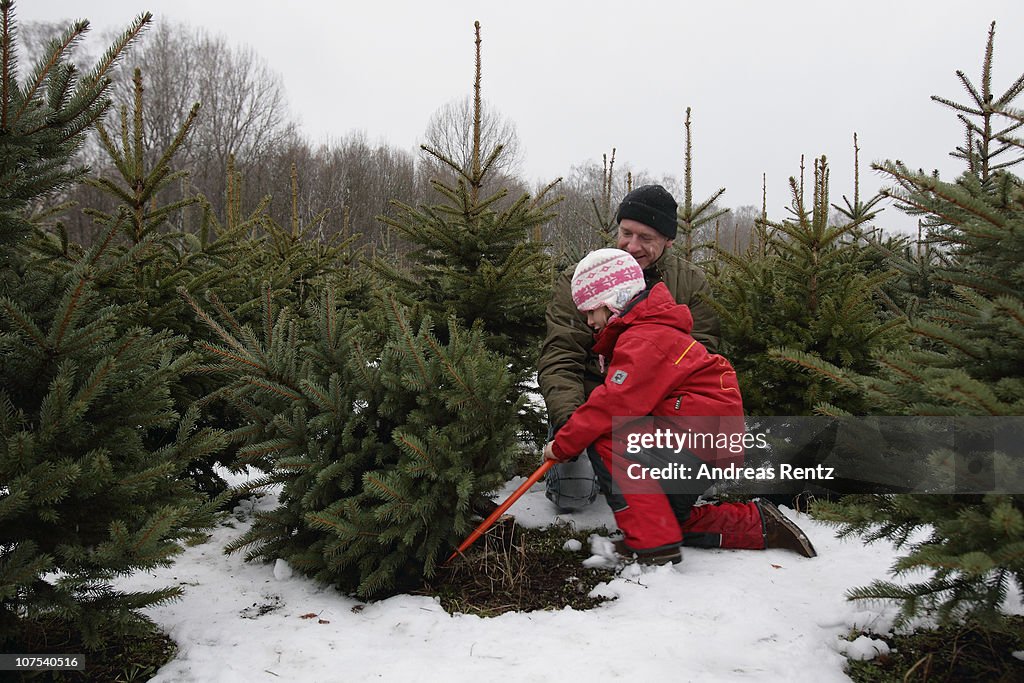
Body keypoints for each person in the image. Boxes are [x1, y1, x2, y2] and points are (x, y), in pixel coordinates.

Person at [542, 248, 817, 565]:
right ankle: (759, 524)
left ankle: (653, 547)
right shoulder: (648, 330)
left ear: (612, 301)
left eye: (591, 311)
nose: (589, 321)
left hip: (693, 438)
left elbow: (612, 404)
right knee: (667, 520)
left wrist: (563, 445)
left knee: (608, 436)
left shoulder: (644, 338)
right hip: (704, 441)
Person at [538, 184, 719, 511]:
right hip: (589, 404)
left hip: (657, 410)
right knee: (572, 496)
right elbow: (560, 358)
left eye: (646, 238)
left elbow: (700, 362)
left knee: (681, 498)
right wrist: (570, 427)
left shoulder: (690, 284)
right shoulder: (580, 279)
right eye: (626, 233)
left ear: (668, 241)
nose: (632, 246)